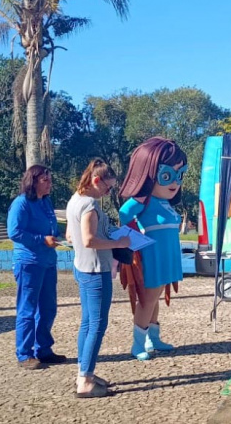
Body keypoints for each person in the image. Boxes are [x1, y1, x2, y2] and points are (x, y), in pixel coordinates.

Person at [118, 137, 187, 361]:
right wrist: (135, 235)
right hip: (151, 256)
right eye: (167, 175)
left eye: (180, 174)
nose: (175, 182)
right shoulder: (143, 201)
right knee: (147, 299)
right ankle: (138, 343)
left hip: (167, 256)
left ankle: (152, 337)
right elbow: (124, 215)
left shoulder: (165, 202)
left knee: (155, 298)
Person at [66, 159, 130, 398]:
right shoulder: (90, 204)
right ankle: (85, 380)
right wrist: (119, 243)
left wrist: (107, 232)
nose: (108, 192)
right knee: (97, 325)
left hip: (82, 267)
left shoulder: (75, 200)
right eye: (108, 187)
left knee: (87, 323)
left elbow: (70, 236)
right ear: (96, 181)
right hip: (95, 270)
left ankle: (84, 372)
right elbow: (88, 240)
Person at [7, 165, 66, 370]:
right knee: (27, 309)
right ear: (33, 181)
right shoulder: (21, 203)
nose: (49, 184)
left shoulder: (46, 202)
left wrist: (59, 236)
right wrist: (42, 240)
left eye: (50, 180)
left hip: (48, 262)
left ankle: (44, 350)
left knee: (48, 308)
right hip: (29, 263)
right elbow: (14, 232)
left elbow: (53, 227)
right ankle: (24, 354)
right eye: (45, 180)